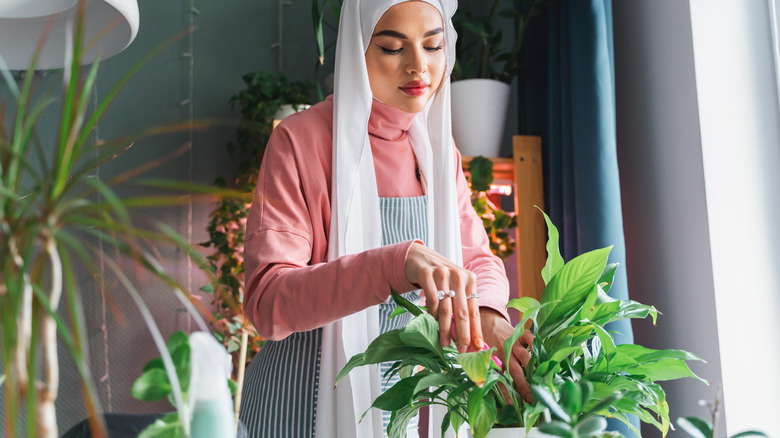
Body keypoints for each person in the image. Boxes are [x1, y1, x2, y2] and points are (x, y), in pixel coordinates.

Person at [238, 1, 532, 437]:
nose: (419, 66)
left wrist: (487, 313)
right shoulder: (299, 140)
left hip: (403, 413)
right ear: (357, 51)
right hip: (302, 410)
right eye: (394, 48)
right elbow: (267, 302)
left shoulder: (436, 150)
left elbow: (477, 260)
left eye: (432, 46)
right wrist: (396, 265)